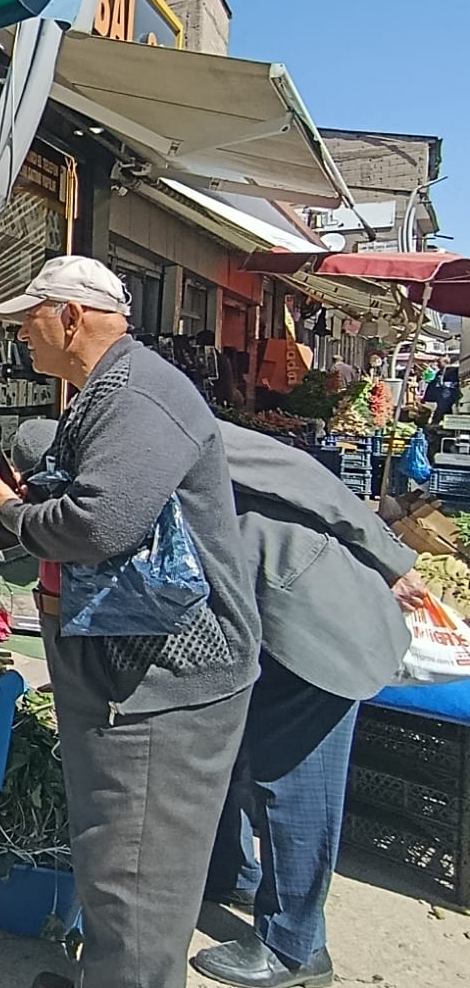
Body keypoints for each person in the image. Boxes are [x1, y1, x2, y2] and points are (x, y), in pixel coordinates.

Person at [0, 256, 260, 988]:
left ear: (70, 317)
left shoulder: (139, 397)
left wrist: (11, 512)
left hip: (163, 684)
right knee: (109, 855)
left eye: (29, 320)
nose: (21, 335)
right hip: (120, 674)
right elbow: (40, 500)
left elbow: (95, 525)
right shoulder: (102, 393)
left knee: (138, 885)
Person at [193, 423, 426, 988]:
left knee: (293, 781)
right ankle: (233, 873)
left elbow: (302, 474)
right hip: (257, 616)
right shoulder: (116, 435)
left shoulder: (164, 416)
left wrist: (390, 558)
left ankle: (294, 948)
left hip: (313, 614)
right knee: (230, 751)